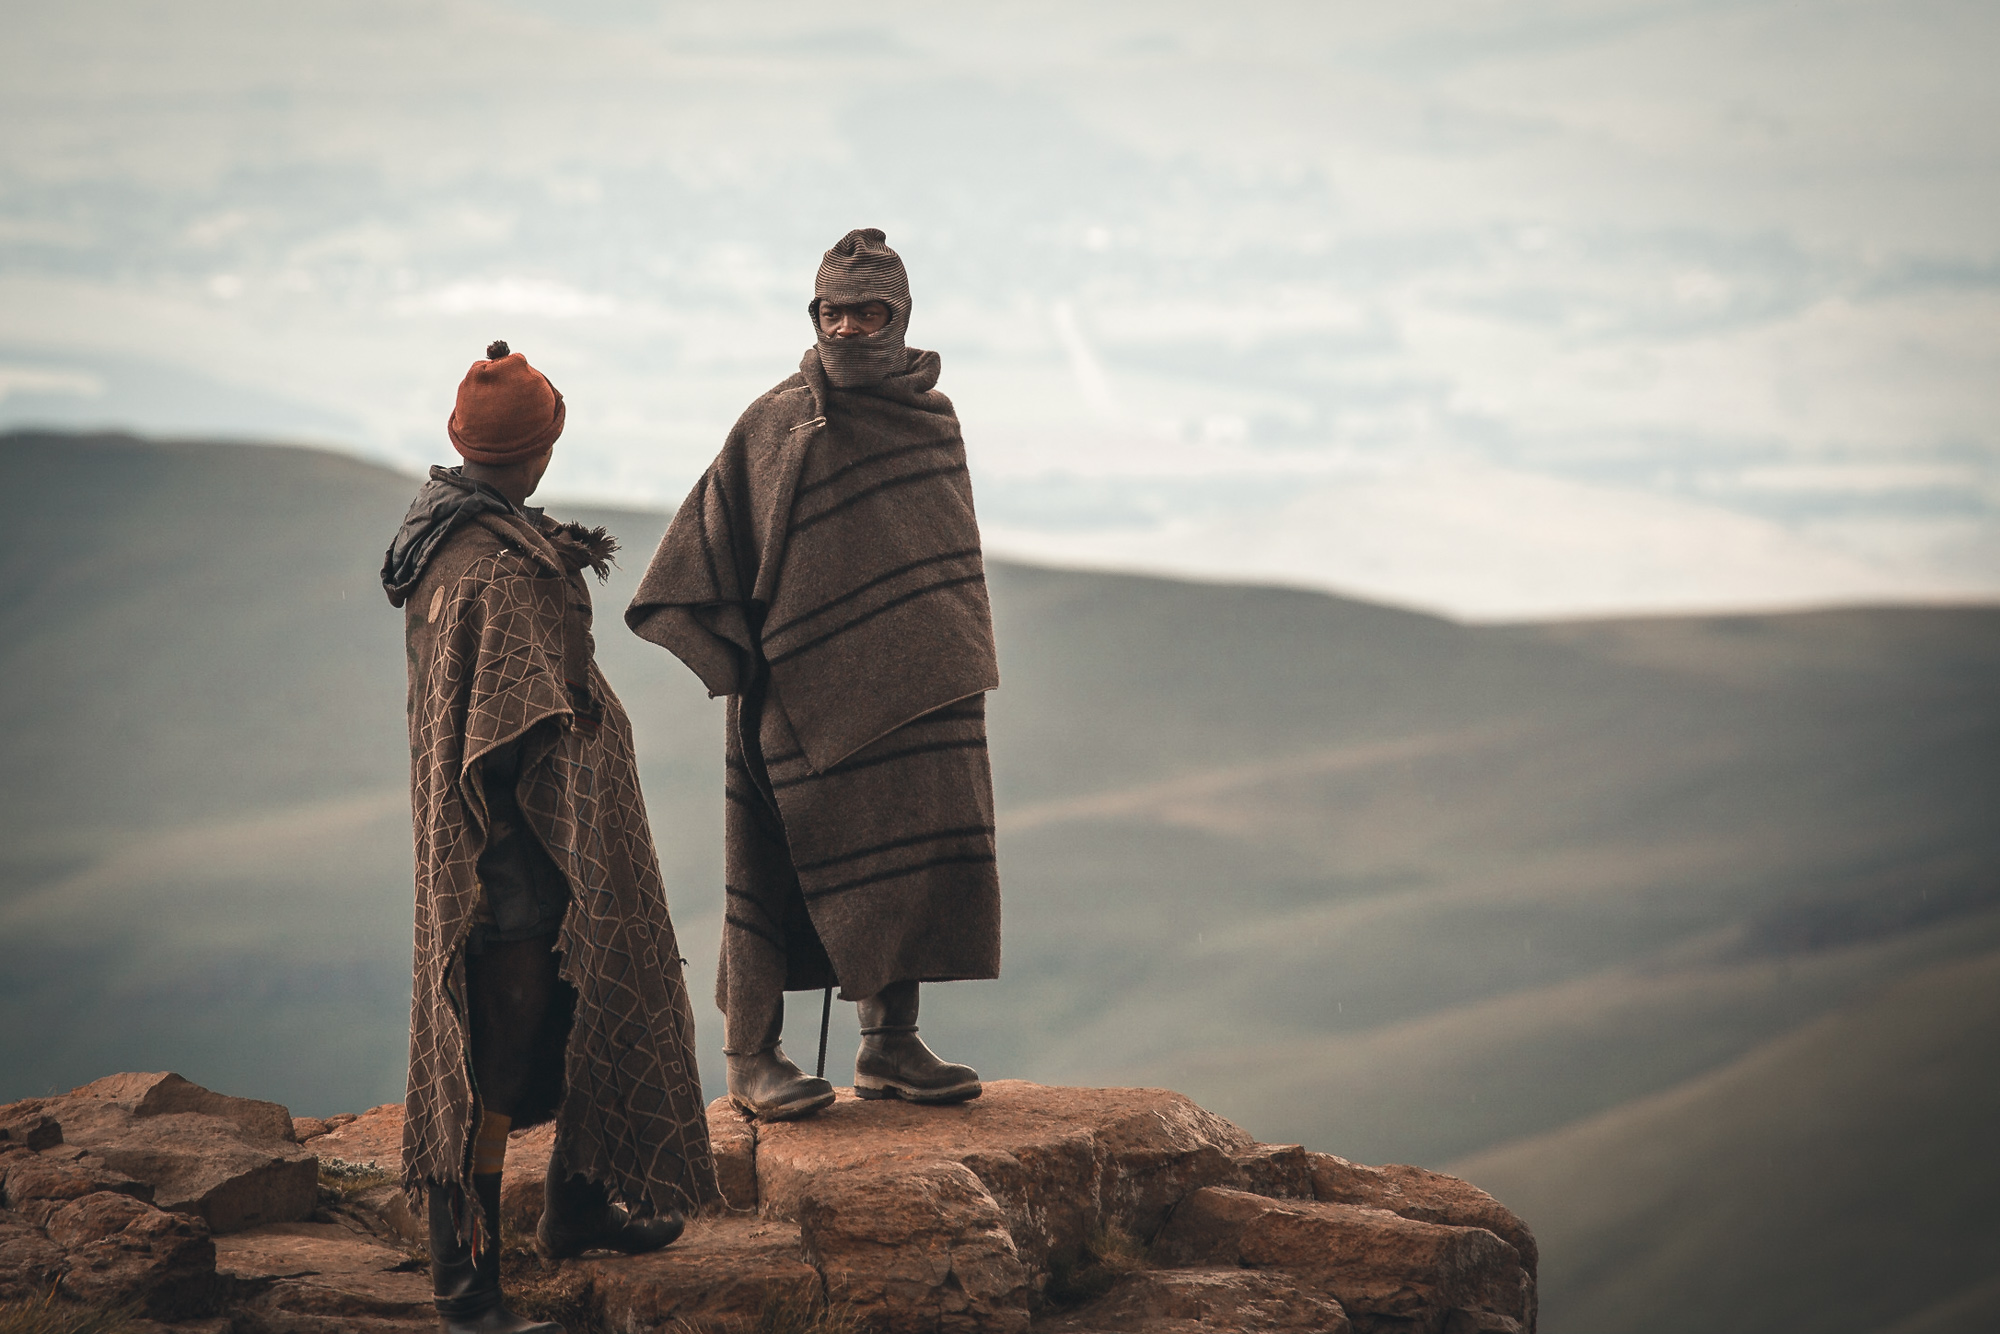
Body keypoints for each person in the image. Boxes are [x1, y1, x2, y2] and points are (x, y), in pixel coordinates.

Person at [627, 228, 1002, 1123]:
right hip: (797, 691)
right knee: (769, 867)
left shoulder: (930, 417)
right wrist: (740, 655)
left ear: (899, 318)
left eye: (868, 313)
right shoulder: (780, 423)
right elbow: (700, 548)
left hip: (921, 692)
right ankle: (751, 1058)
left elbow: (941, 556)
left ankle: (889, 1043)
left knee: (907, 856)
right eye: (834, 313)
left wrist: (946, 654)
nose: (848, 329)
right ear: (814, 315)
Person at [382, 342, 717, 1334]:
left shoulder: (463, 541)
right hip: (511, 857)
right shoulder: (494, 569)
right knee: (493, 1062)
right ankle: (468, 1290)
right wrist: (560, 836)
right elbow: (514, 730)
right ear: (540, 449)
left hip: (510, 845)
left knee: (576, 1015)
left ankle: (577, 1203)